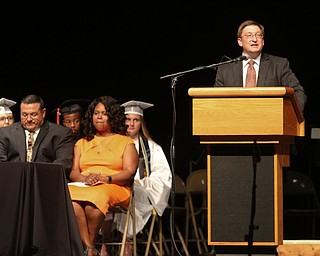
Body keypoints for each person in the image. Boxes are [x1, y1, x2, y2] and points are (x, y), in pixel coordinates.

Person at [67, 96, 139, 256]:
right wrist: (85, 179)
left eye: (104, 113)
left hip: (115, 185)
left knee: (97, 196)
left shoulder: (125, 142)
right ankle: (90, 248)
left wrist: (106, 179)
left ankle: (89, 246)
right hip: (83, 184)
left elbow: (128, 172)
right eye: (96, 113)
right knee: (68, 197)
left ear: (112, 117)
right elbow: (73, 173)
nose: (99, 117)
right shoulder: (81, 143)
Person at [100, 100, 172, 256]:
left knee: (134, 192)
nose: (131, 124)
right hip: (115, 188)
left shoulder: (153, 148)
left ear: (141, 123)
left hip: (141, 192)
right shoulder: (112, 144)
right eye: (127, 119)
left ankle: (128, 241)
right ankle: (104, 242)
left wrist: (142, 181)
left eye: (136, 120)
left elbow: (164, 177)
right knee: (102, 193)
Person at [214, 19, 307, 111]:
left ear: (262, 41)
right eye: (249, 35)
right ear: (240, 41)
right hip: (235, 120)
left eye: (258, 35)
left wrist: (290, 114)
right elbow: (216, 100)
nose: (254, 39)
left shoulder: (279, 65)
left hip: (270, 120)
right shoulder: (225, 69)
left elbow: (298, 92)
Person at [0, 94, 74, 177]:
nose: (28, 119)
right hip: (14, 182)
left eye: (33, 115)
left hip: (46, 182)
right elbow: (1, 165)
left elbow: (62, 164)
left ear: (43, 113)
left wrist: (35, 178)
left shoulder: (61, 133)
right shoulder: (5, 133)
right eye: (24, 115)